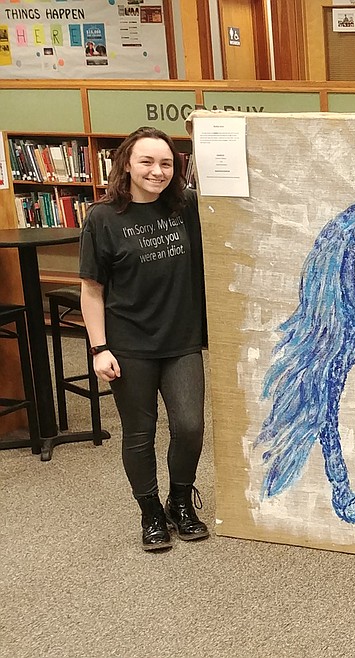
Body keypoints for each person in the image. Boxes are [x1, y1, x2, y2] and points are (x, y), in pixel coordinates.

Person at [79, 126, 209, 552]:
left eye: (167, 163)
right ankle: (150, 512)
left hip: (182, 339)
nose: (157, 171)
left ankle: (179, 501)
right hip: (128, 343)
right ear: (127, 165)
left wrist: (206, 130)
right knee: (139, 433)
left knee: (189, 426)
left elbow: (230, 182)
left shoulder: (185, 206)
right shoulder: (103, 218)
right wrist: (98, 348)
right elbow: (92, 290)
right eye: (147, 162)